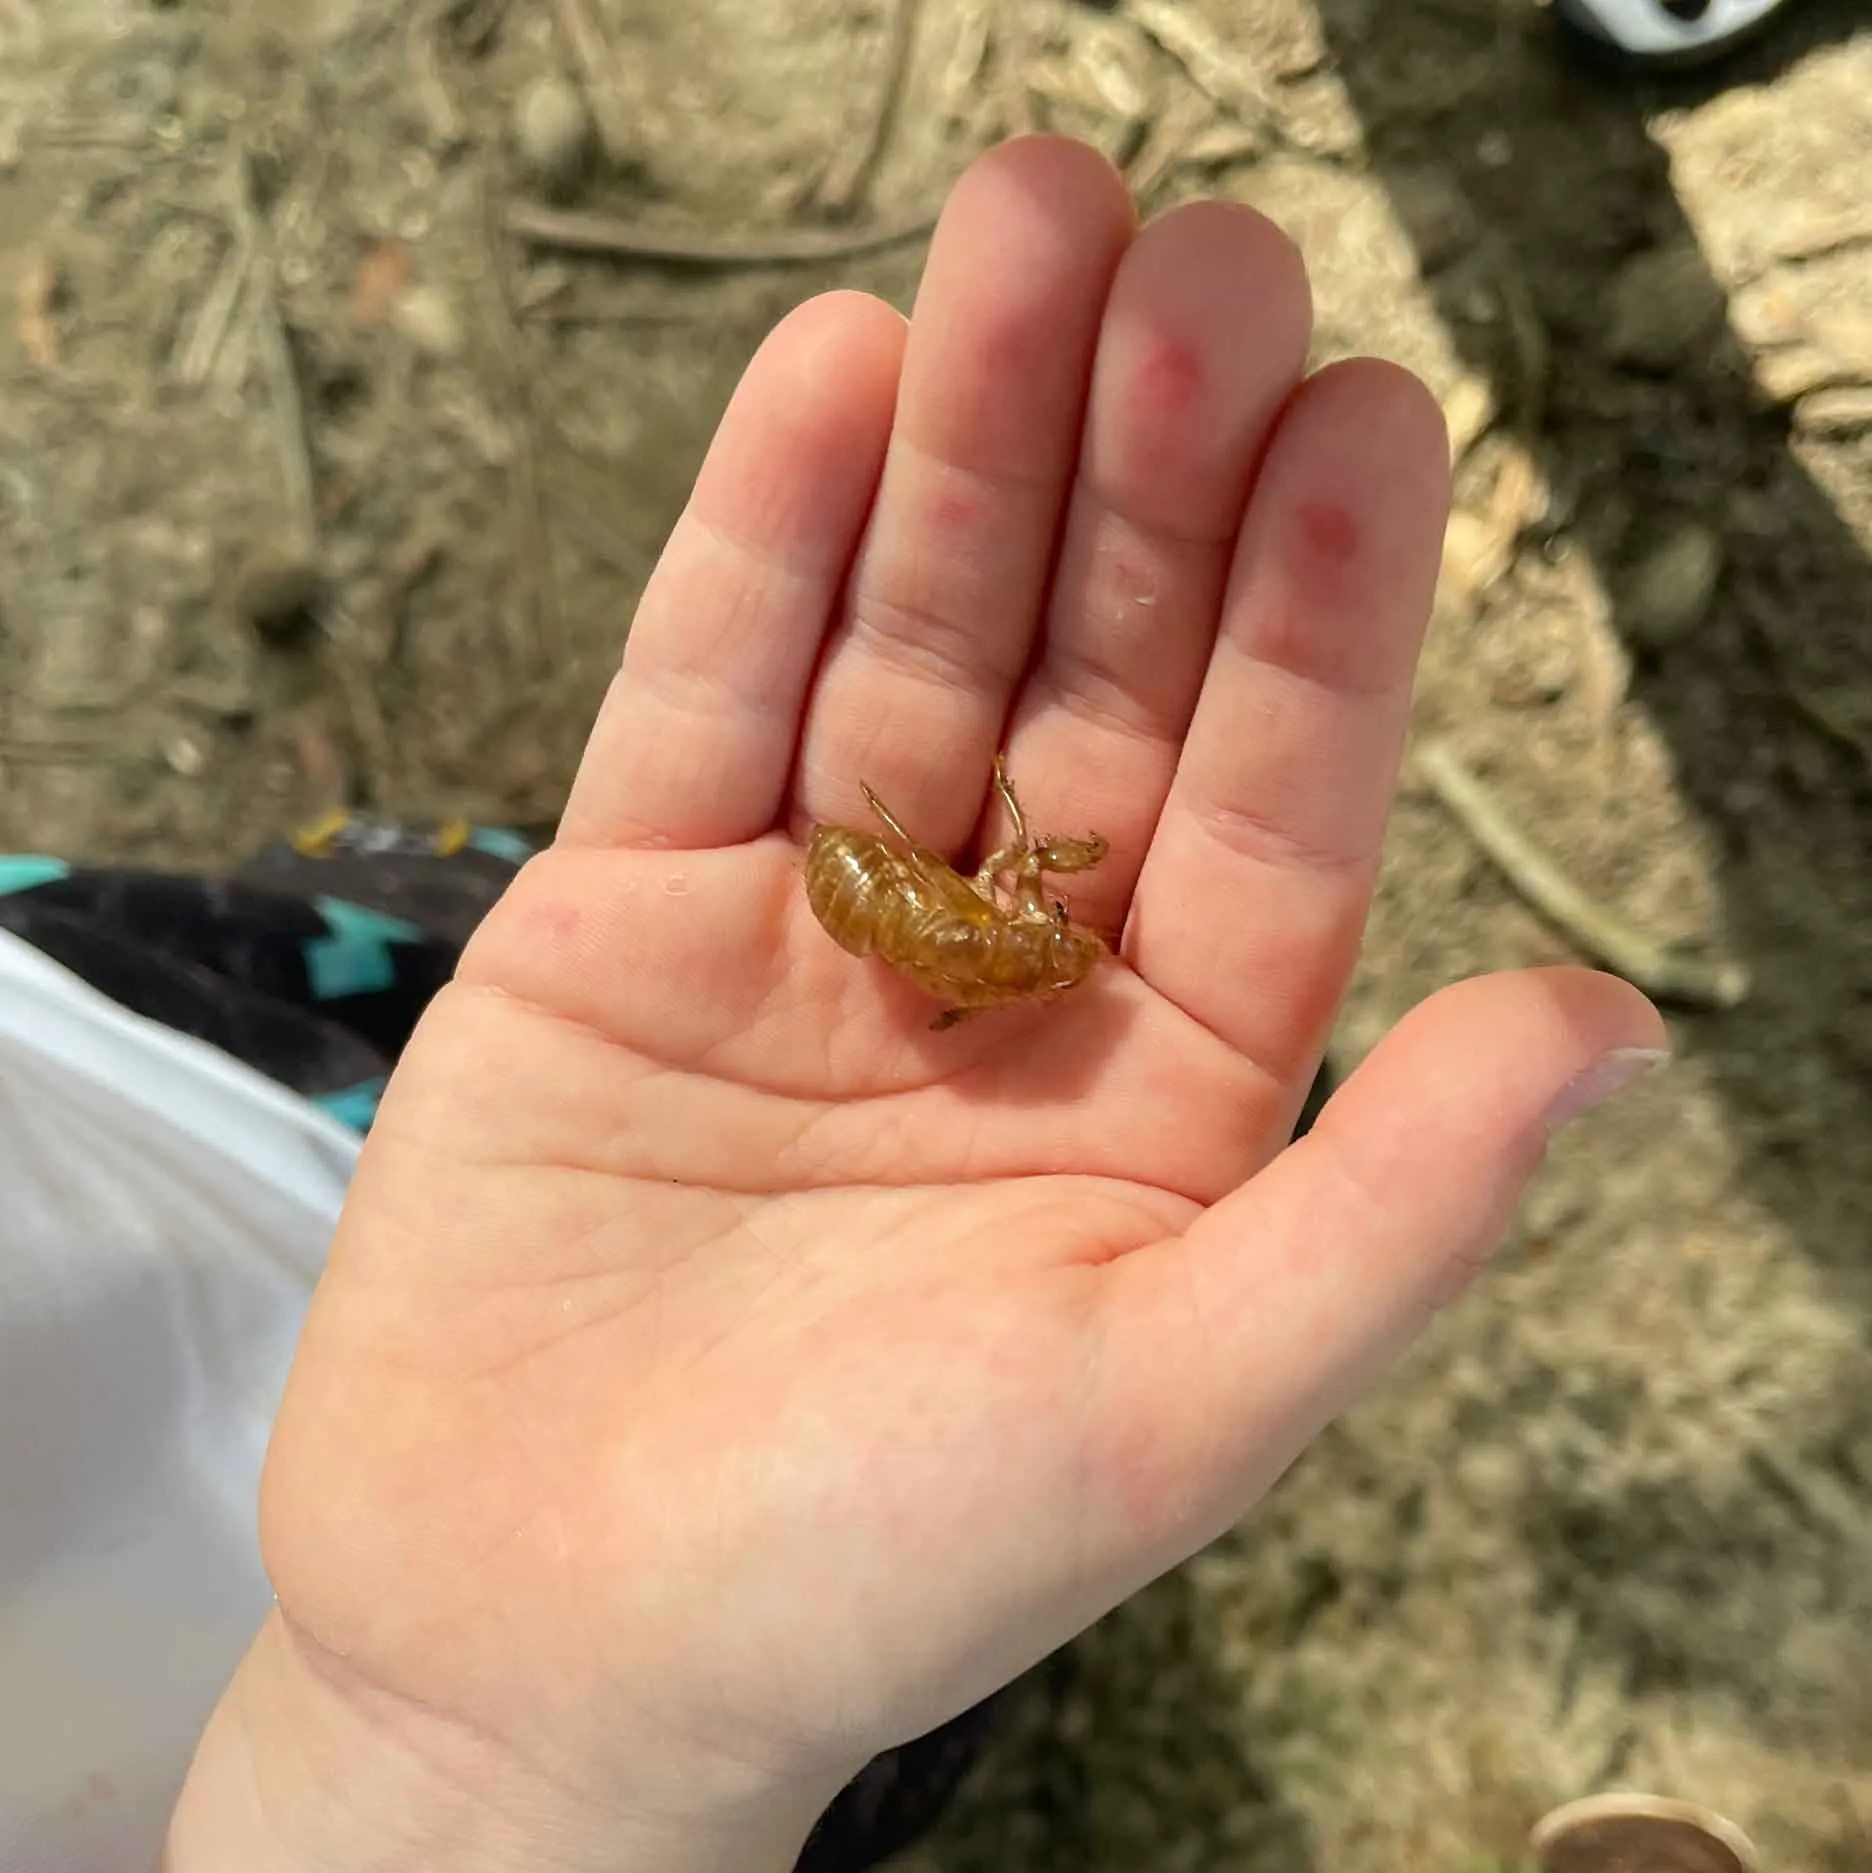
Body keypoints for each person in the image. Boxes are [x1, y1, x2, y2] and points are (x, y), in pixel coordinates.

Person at [14, 135, 1674, 1872]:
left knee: (490, 931)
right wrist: (459, 1783)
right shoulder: (980, 938)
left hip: (145, 1026)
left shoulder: (970, 934)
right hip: (412, 1504)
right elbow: (983, 931)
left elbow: (984, 925)